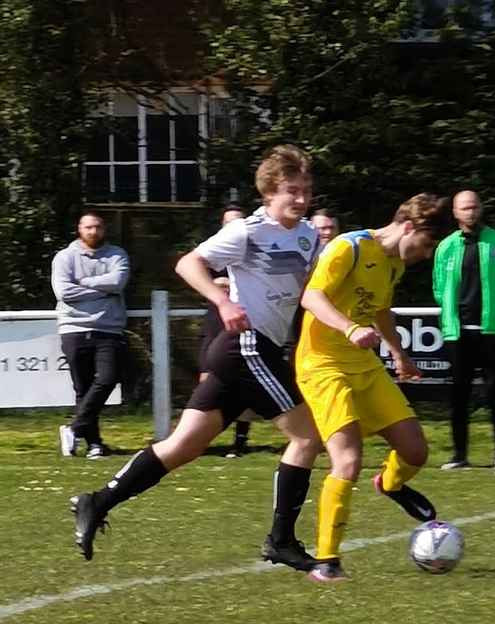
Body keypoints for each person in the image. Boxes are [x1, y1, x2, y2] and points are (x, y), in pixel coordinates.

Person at [69, 145, 323, 572]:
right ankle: (280, 541)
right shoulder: (246, 230)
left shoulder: (308, 236)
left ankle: (97, 501)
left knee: (183, 447)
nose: (300, 200)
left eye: (306, 191)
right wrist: (222, 301)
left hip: (249, 350)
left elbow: (314, 289)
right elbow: (189, 264)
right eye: (292, 191)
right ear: (268, 193)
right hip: (246, 345)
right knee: (307, 436)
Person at [296, 193, 452, 582]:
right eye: (428, 244)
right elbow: (311, 297)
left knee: (415, 450)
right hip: (323, 364)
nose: (427, 254)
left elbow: (380, 309)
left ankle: (390, 483)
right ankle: (326, 561)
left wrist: (398, 352)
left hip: (363, 365)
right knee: (347, 461)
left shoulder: (394, 263)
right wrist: (349, 327)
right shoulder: (347, 247)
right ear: (409, 227)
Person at [432, 190, 495, 471]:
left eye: (474, 207)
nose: (470, 212)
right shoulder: (445, 247)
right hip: (458, 331)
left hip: (492, 328)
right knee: (459, 395)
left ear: (480, 209)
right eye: (464, 208)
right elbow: (437, 285)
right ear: (456, 212)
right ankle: (459, 455)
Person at [52, 211, 130, 460]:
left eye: (97, 227)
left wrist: (83, 283)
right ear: (79, 229)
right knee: (82, 388)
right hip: (73, 328)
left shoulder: (117, 254)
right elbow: (64, 292)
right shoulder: (64, 257)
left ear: (103, 229)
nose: (93, 232)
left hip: (108, 328)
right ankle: (94, 445)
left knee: (108, 379)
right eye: (88, 227)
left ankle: (73, 429)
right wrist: (100, 289)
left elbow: (117, 282)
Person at [197, 204, 254, 458]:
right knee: (207, 376)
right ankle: (200, 436)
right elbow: (195, 274)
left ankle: (239, 440)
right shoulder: (213, 249)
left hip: (243, 316)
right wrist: (216, 285)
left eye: (238, 221)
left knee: (243, 381)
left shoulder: (251, 249)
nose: (233, 226)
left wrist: (229, 284)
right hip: (215, 318)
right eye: (228, 222)